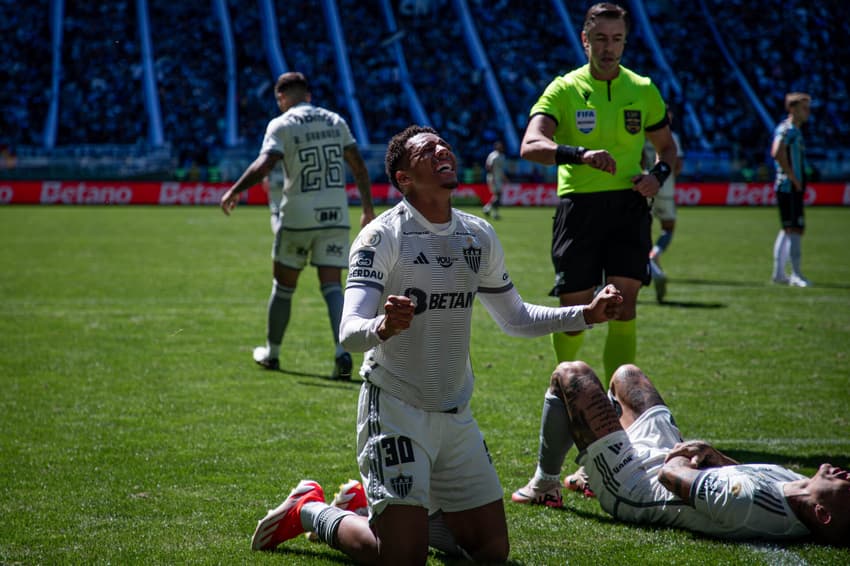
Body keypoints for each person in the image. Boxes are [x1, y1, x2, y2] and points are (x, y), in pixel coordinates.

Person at [248, 125, 625, 563]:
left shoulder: (477, 234)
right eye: (427, 150)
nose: (443, 149)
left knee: (491, 553)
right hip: (395, 410)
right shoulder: (381, 236)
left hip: (455, 414)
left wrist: (586, 314)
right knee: (402, 559)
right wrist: (383, 327)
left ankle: (379, 508)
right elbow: (348, 332)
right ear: (404, 178)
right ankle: (312, 511)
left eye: (444, 143)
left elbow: (515, 318)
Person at [516, 360, 850, 545]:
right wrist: (715, 456)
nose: (847, 474)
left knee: (571, 375)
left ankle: (545, 485)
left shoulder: (747, 504)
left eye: (849, 487)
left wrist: (685, 453)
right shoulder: (797, 489)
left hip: (637, 485)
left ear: (823, 514)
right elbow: (747, 474)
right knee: (627, 376)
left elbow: (671, 475)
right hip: (671, 462)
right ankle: (595, 470)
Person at [519, 2, 678, 379]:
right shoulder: (564, 88)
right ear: (585, 40)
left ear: (625, 43)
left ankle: (621, 404)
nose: (609, 47)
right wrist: (580, 154)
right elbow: (530, 145)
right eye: (601, 39)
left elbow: (667, 147)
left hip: (630, 205)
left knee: (624, 306)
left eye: (617, 39)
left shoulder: (642, 89)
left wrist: (659, 174)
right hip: (579, 209)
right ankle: (568, 393)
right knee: (575, 314)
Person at [220, 71, 375, 378]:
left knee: (284, 287)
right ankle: (342, 351)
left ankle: (272, 353)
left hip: (298, 216)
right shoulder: (335, 120)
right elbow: (357, 164)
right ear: (308, 95)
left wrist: (235, 190)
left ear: (281, 98)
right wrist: (367, 208)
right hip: (336, 215)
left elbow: (265, 164)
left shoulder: (282, 124)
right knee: (333, 286)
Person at [770, 92, 812, 288]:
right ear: (793, 109)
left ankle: (779, 274)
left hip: (788, 186)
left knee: (788, 229)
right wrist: (794, 178)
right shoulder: (788, 130)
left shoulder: (793, 130)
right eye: (804, 108)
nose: (808, 112)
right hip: (789, 187)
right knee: (794, 229)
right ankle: (796, 274)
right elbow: (776, 152)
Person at [642, 109, 684, 303]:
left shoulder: (641, 135)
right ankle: (654, 255)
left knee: (641, 229)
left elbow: (639, 160)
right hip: (664, 185)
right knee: (668, 227)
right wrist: (669, 179)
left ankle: (648, 261)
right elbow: (677, 162)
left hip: (644, 185)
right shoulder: (671, 136)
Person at [483, 140, 508, 219]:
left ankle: (488, 208)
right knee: (498, 195)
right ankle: (494, 213)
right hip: (493, 178)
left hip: (498, 178)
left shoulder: (502, 156)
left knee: (497, 196)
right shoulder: (493, 155)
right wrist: (492, 177)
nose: (500, 147)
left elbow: (501, 169)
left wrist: (504, 178)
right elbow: (488, 166)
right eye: (498, 146)